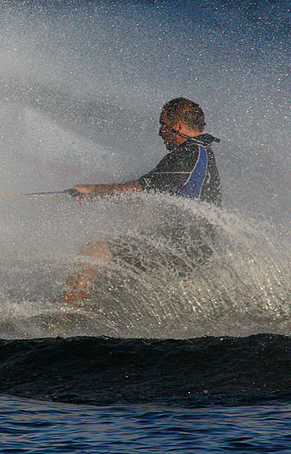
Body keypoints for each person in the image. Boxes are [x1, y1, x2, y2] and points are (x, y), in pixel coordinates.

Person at [63, 97, 221, 306]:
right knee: (116, 256)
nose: (160, 132)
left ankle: (60, 324)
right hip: (194, 245)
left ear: (178, 126)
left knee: (92, 253)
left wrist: (91, 190)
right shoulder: (203, 151)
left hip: (183, 247)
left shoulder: (187, 155)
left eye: (163, 126)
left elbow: (137, 192)